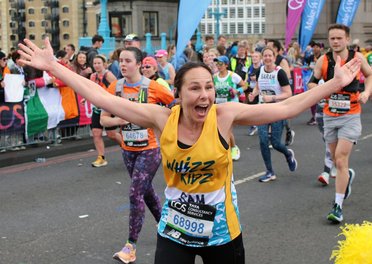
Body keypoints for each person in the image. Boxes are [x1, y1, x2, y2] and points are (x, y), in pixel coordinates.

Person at [18, 37, 361, 264]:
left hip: (223, 233)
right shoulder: (161, 118)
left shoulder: (225, 115)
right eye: (195, 89)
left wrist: (333, 84)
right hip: (175, 230)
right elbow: (103, 99)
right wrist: (54, 67)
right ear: (178, 94)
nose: (204, 96)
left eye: (209, 88)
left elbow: (287, 109)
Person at [99, 47, 175, 263]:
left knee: (135, 194)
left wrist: (164, 130)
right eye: (121, 60)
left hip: (150, 149)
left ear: (139, 64)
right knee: (147, 192)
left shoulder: (153, 87)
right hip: (128, 149)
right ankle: (166, 228)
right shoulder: (115, 87)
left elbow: (174, 109)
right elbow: (104, 119)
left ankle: (130, 246)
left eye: (128, 61)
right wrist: (119, 121)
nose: (122, 64)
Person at [307, 24, 372, 223]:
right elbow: (311, 82)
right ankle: (347, 178)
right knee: (336, 160)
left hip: (351, 115)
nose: (335, 41)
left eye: (339, 38)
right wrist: (321, 92)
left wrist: (366, 92)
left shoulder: (357, 58)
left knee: (341, 160)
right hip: (329, 115)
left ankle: (337, 206)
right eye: (332, 38)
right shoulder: (323, 60)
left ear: (347, 39)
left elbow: (369, 75)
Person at [248, 47, 297, 182]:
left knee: (275, 143)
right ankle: (269, 172)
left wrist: (273, 98)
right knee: (263, 141)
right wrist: (253, 94)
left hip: (277, 109)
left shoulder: (279, 73)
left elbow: (288, 93)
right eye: (265, 56)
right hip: (263, 110)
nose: (267, 58)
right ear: (262, 58)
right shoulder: (260, 71)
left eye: (270, 56)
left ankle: (288, 154)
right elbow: (258, 86)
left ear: (274, 58)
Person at [89, 54, 122, 167]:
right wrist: (86, 98)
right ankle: (101, 157)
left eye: (99, 63)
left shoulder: (109, 75)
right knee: (96, 133)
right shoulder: (92, 76)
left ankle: (128, 148)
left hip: (108, 108)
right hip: (97, 108)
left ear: (104, 64)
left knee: (111, 135)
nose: (96, 65)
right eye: (95, 63)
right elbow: (91, 90)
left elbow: (118, 89)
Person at [213, 55, 246, 161]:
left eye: (221, 64)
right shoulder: (214, 77)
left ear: (226, 65)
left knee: (227, 128)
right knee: (218, 129)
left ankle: (233, 148)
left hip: (231, 105)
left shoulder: (233, 76)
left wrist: (237, 91)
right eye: (217, 64)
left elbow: (245, 85)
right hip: (219, 105)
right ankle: (223, 149)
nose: (218, 66)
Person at [266, 39, 295, 146]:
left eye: (270, 46)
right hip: (270, 91)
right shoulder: (267, 60)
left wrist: (276, 76)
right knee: (270, 113)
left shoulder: (282, 60)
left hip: (281, 90)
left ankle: (288, 131)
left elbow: (287, 75)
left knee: (283, 114)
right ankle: (271, 136)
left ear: (276, 49)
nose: (267, 48)